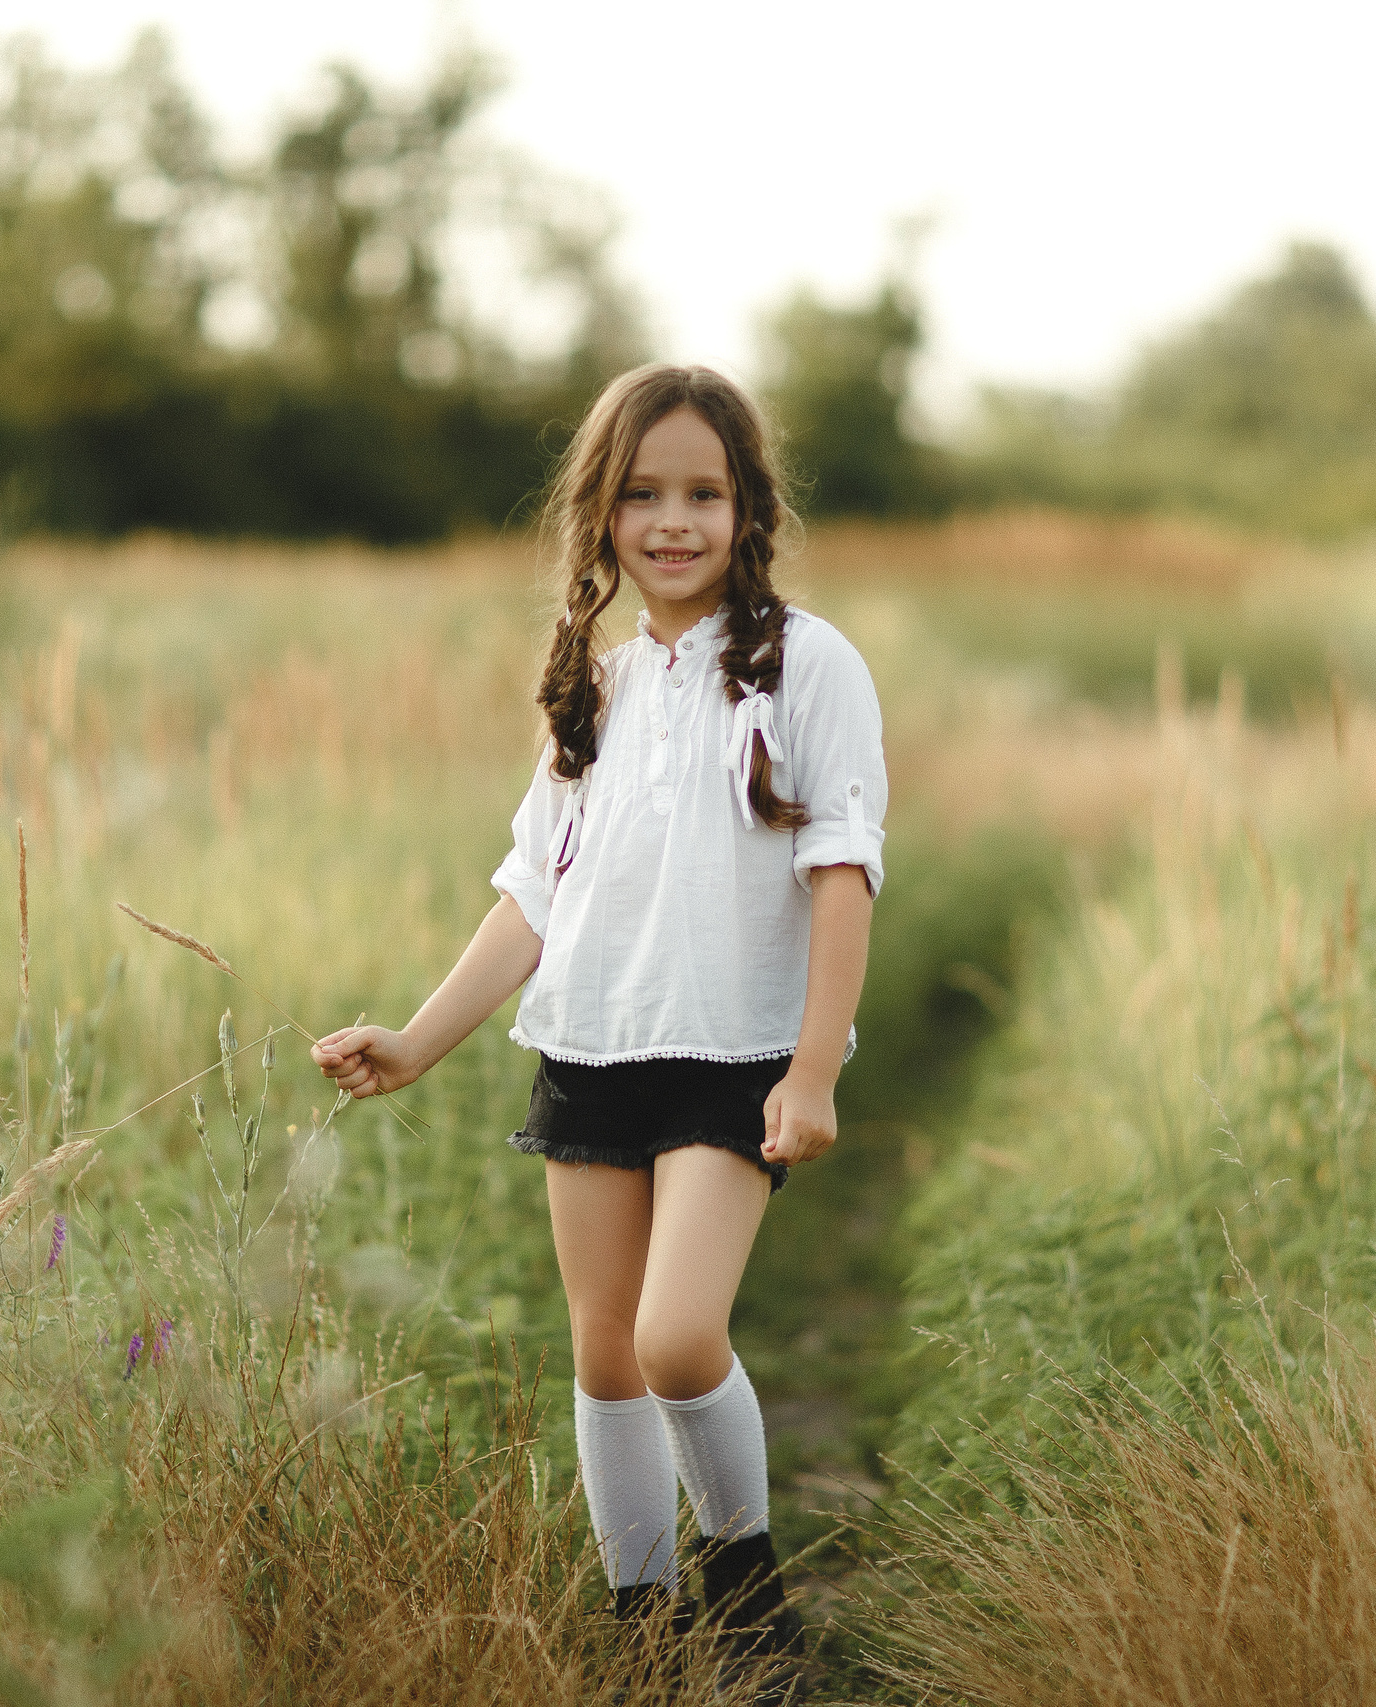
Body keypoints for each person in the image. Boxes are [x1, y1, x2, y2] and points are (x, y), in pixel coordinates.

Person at [311, 363, 884, 1680]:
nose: (672, 520)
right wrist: (414, 1040)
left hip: (737, 1058)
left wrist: (812, 1070)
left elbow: (842, 873)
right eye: (642, 495)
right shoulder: (596, 689)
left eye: (703, 491)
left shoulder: (805, 665)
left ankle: (750, 1608)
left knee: (678, 1339)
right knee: (606, 1353)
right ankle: (644, 1621)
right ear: (601, 519)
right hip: (591, 1052)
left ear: (749, 509)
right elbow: (530, 897)